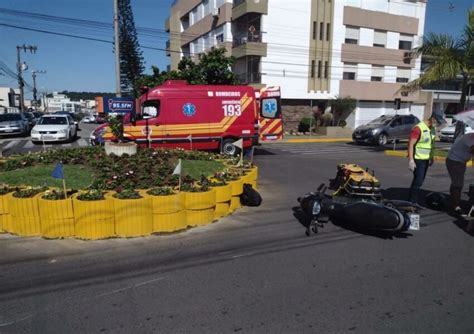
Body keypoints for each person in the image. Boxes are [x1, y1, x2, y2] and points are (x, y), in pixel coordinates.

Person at [407, 111, 445, 204]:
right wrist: (411, 160)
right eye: (438, 121)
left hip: (425, 160)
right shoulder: (418, 128)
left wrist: (431, 157)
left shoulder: (432, 129)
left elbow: (431, 144)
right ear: (433, 118)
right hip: (417, 159)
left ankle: (413, 201)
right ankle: (412, 202)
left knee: (420, 181)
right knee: (418, 180)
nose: (438, 124)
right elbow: (411, 144)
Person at [445, 132, 474, 214]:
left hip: (459, 161)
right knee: (458, 184)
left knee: (456, 183)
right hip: (455, 161)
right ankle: (455, 206)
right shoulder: (470, 137)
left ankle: (453, 201)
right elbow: (472, 149)